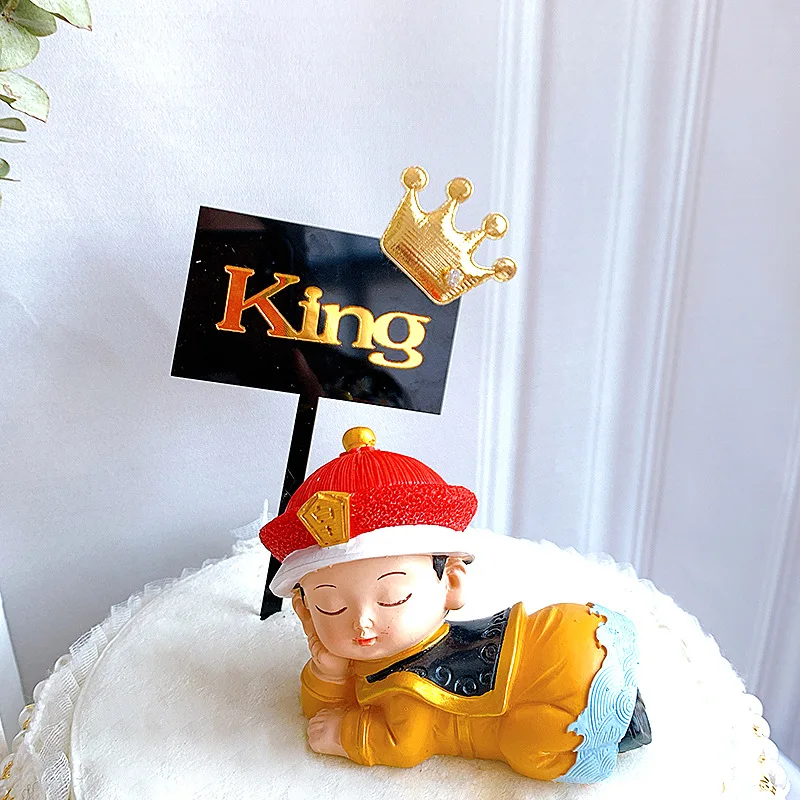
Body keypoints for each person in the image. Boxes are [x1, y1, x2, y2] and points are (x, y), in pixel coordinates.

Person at [260, 427, 651, 783]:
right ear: (305, 609)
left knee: (526, 744)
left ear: (451, 582)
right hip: (563, 636)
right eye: (330, 606)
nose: (362, 621)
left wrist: (345, 734)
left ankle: (605, 721)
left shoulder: (408, 686)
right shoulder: (364, 659)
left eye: (392, 597)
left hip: (555, 680)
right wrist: (327, 672)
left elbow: (404, 745)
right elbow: (325, 706)